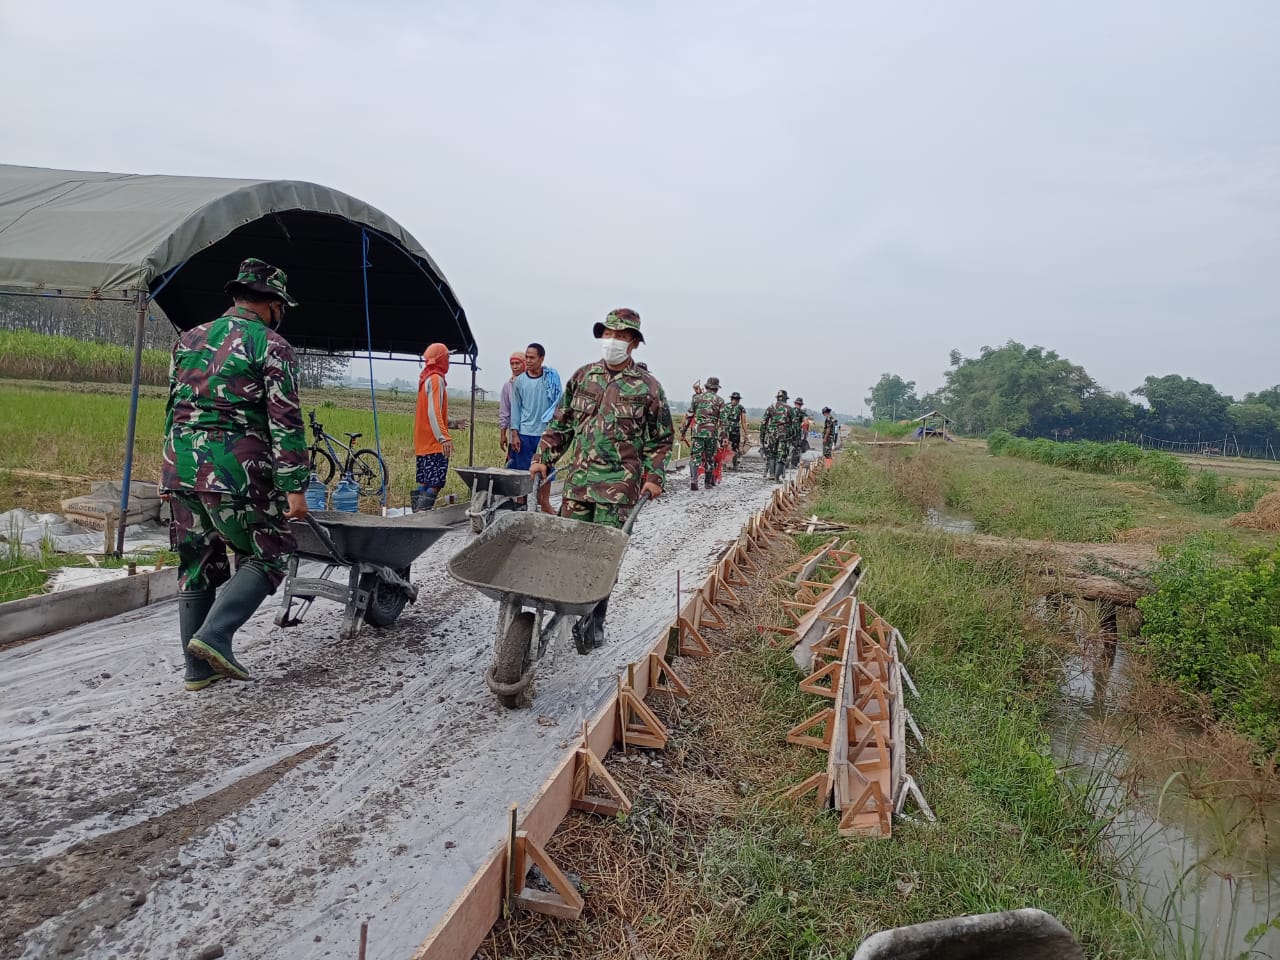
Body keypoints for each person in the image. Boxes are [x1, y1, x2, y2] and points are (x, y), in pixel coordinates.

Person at [162, 257, 308, 690]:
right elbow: (285, 419)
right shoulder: (271, 344)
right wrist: (294, 487)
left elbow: (173, 407)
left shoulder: (187, 339)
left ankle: (197, 671)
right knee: (272, 550)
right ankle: (216, 634)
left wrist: (170, 466)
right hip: (235, 471)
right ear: (273, 304)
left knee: (197, 561)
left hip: (179, 464)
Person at [530, 308, 672, 649]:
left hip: (619, 491)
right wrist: (541, 459)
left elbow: (660, 439)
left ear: (634, 344)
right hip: (578, 485)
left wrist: (653, 477)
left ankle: (594, 621)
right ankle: (564, 609)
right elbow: (560, 425)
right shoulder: (583, 377)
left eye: (621, 336)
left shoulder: (648, 388)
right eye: (608, 334)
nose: (612, 341)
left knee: (604, 559)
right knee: (568, 550)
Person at [508, 342, 562, 512]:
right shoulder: (520, 382)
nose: (529, 361)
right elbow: (515, 408)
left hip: (545, 433)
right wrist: (514, 434)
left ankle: (544, 502)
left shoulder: (551, 379)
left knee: (547, 470)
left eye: (532, 358)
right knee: (524, 470)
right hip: (525, 433)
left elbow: (557, 404)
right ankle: (521, 504)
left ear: (541, 358)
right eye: (527, 357)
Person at [413, 343, 453, 511]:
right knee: (436, 483)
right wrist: (444, 437)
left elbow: (431, 413)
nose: (449, 361)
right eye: (447, 357)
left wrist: (452, 423)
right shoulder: (436, 379)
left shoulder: (426, 378)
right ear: (440, 359)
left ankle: (415, 516)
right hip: (433, 443)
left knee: (425, 481)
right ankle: (421, 516)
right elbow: (434, 411)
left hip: (423, 442)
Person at [680, 376, 727, 490]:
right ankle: (707, 483)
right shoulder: (720, 400)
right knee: (710, 457)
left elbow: (689, 415)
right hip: (711, 433)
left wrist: (683, 431)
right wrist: (724, 436)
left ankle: (694, 480)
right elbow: (724, 421)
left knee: (695, 457)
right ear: (716, 389)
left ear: (706, 387)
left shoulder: (696, 398)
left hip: (698, 432)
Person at [498, 351, 526, 466]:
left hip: (530, 433)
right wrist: (502, 434)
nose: (514, 367)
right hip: (513, 435)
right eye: (512, 364)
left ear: (524, 364)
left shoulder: (531, 384)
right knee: (512, 466)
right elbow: (504, 412)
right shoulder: (507, 386)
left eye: (517, 363)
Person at [759, 389, 790, 482]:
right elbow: (794, 425)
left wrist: (762, 437)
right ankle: (777, 477)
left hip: (771, 434)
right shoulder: (789, 409)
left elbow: (763, 423)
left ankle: (772, 474)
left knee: (772, 455)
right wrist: (793, 437)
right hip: (783, 434)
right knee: (781, 455)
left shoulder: (770, 407)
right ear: (785, 398)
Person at [724, 391, 748, 469]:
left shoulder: (725, 406)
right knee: (734, 447)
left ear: (731, 398)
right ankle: (734, 465)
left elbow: (720, 418)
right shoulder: (741, 408)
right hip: (735, 429)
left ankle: (725, 464)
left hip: (726, 428)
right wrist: (746, 433)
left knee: (725, 445)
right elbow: (743, 421)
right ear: (739, 400)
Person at [788, 396, 808, 467]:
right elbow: (806, 425)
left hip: (794, 434)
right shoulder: (792, 411)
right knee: (794, 448)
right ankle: (792, 463)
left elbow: (805, 424)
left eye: (799, 404)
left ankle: (792, 463)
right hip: (793, 433)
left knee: (794, 448)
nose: (798, 405)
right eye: (798, 404)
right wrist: (805, 435)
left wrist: (805, 434)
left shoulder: (790, 411)